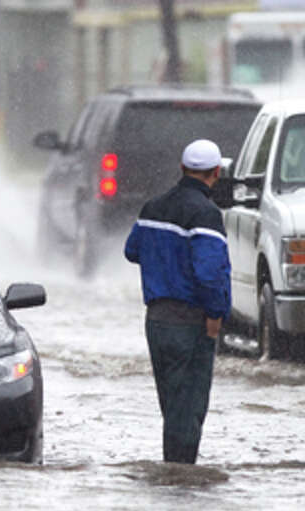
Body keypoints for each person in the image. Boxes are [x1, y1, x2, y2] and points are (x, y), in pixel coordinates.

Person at [123, 138, 232, 464]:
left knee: (172, 404)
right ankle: (181, 479)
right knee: (189, 407)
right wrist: (215, 315)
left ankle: (171, 472)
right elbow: (210, 272)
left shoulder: (153, 206)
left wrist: (166, 262)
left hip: (157, 321)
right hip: (191, 323)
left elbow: (132, 251)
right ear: (216, 173)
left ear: (183, 168)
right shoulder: (206, 214)